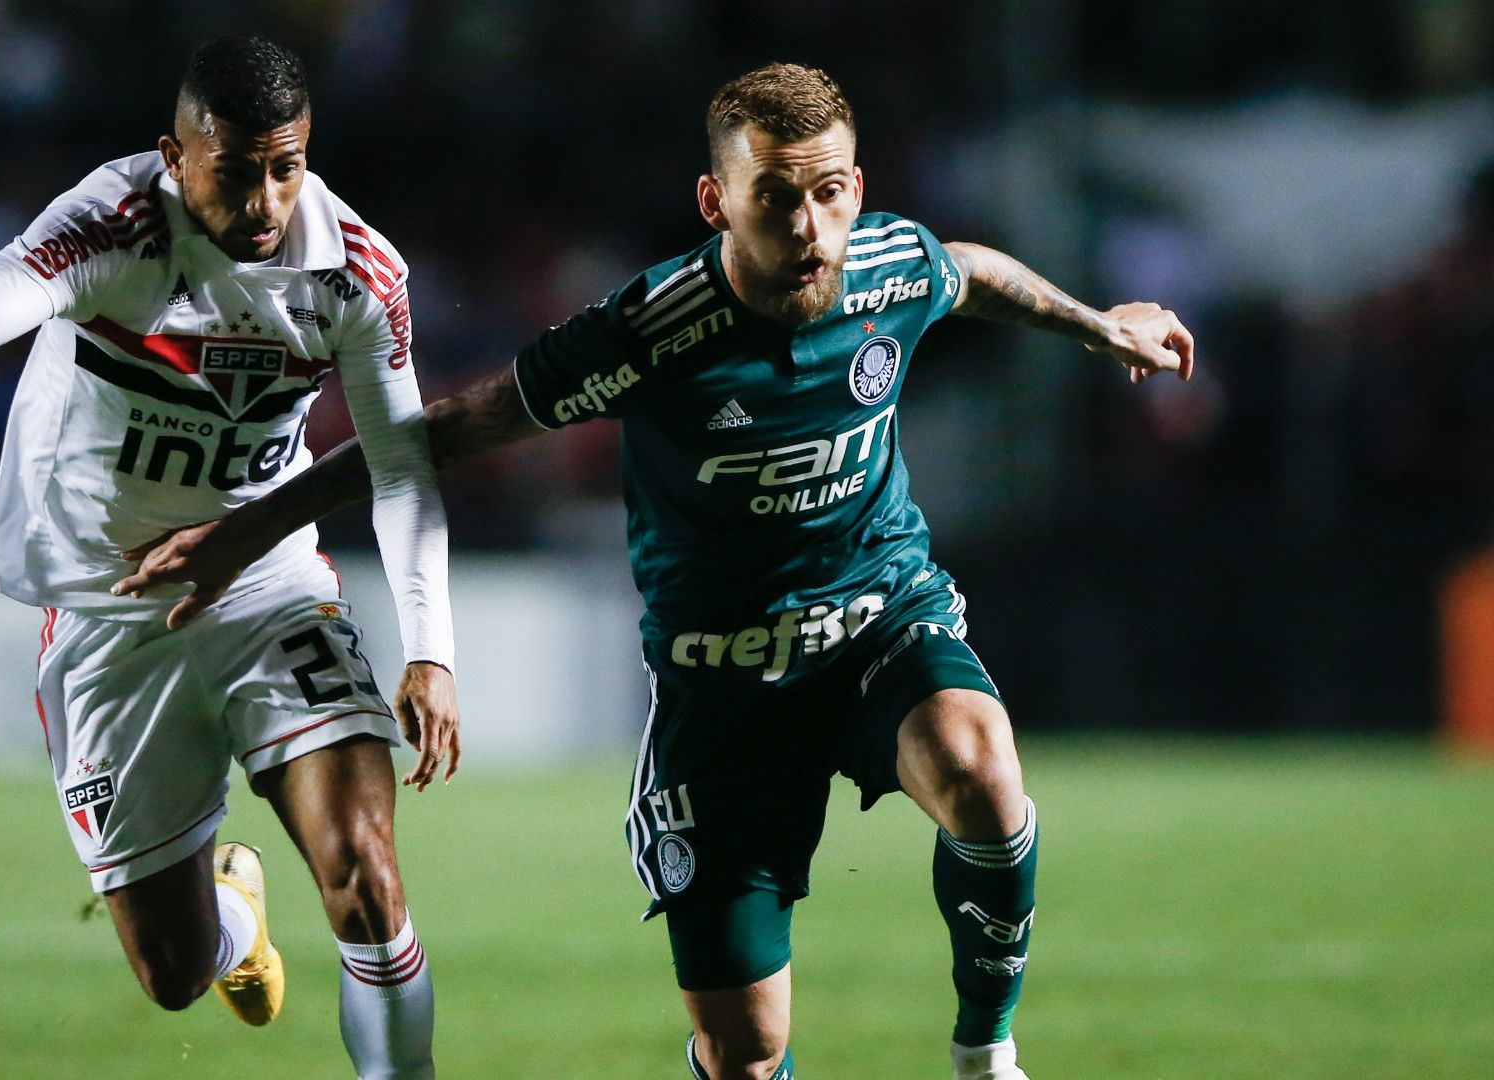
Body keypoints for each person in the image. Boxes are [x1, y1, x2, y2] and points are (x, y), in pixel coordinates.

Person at [114, 63, 1196, 1080]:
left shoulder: (889, 262)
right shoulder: (652, 330)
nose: (810, 227)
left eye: (829, 193)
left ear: (857, 188)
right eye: (776, 197)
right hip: (722, 691)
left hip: (877, 623)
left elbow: (970, 271)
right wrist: (253, 524)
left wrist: (1099, 328)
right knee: (746, 1053)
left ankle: (985, 1056)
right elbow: (445, 428)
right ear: (715, 201)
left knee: (980, 768)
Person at [0, 34, 454, 1079]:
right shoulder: (114, 224)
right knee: (174, 972)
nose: (264, 199)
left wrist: (430, 649)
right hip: (110, 610)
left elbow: (400, 467)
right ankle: (228, 915)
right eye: (237, 168)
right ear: (175, 156)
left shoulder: (356, 272)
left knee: (366, 874)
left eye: (285, 167)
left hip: (267, 587)